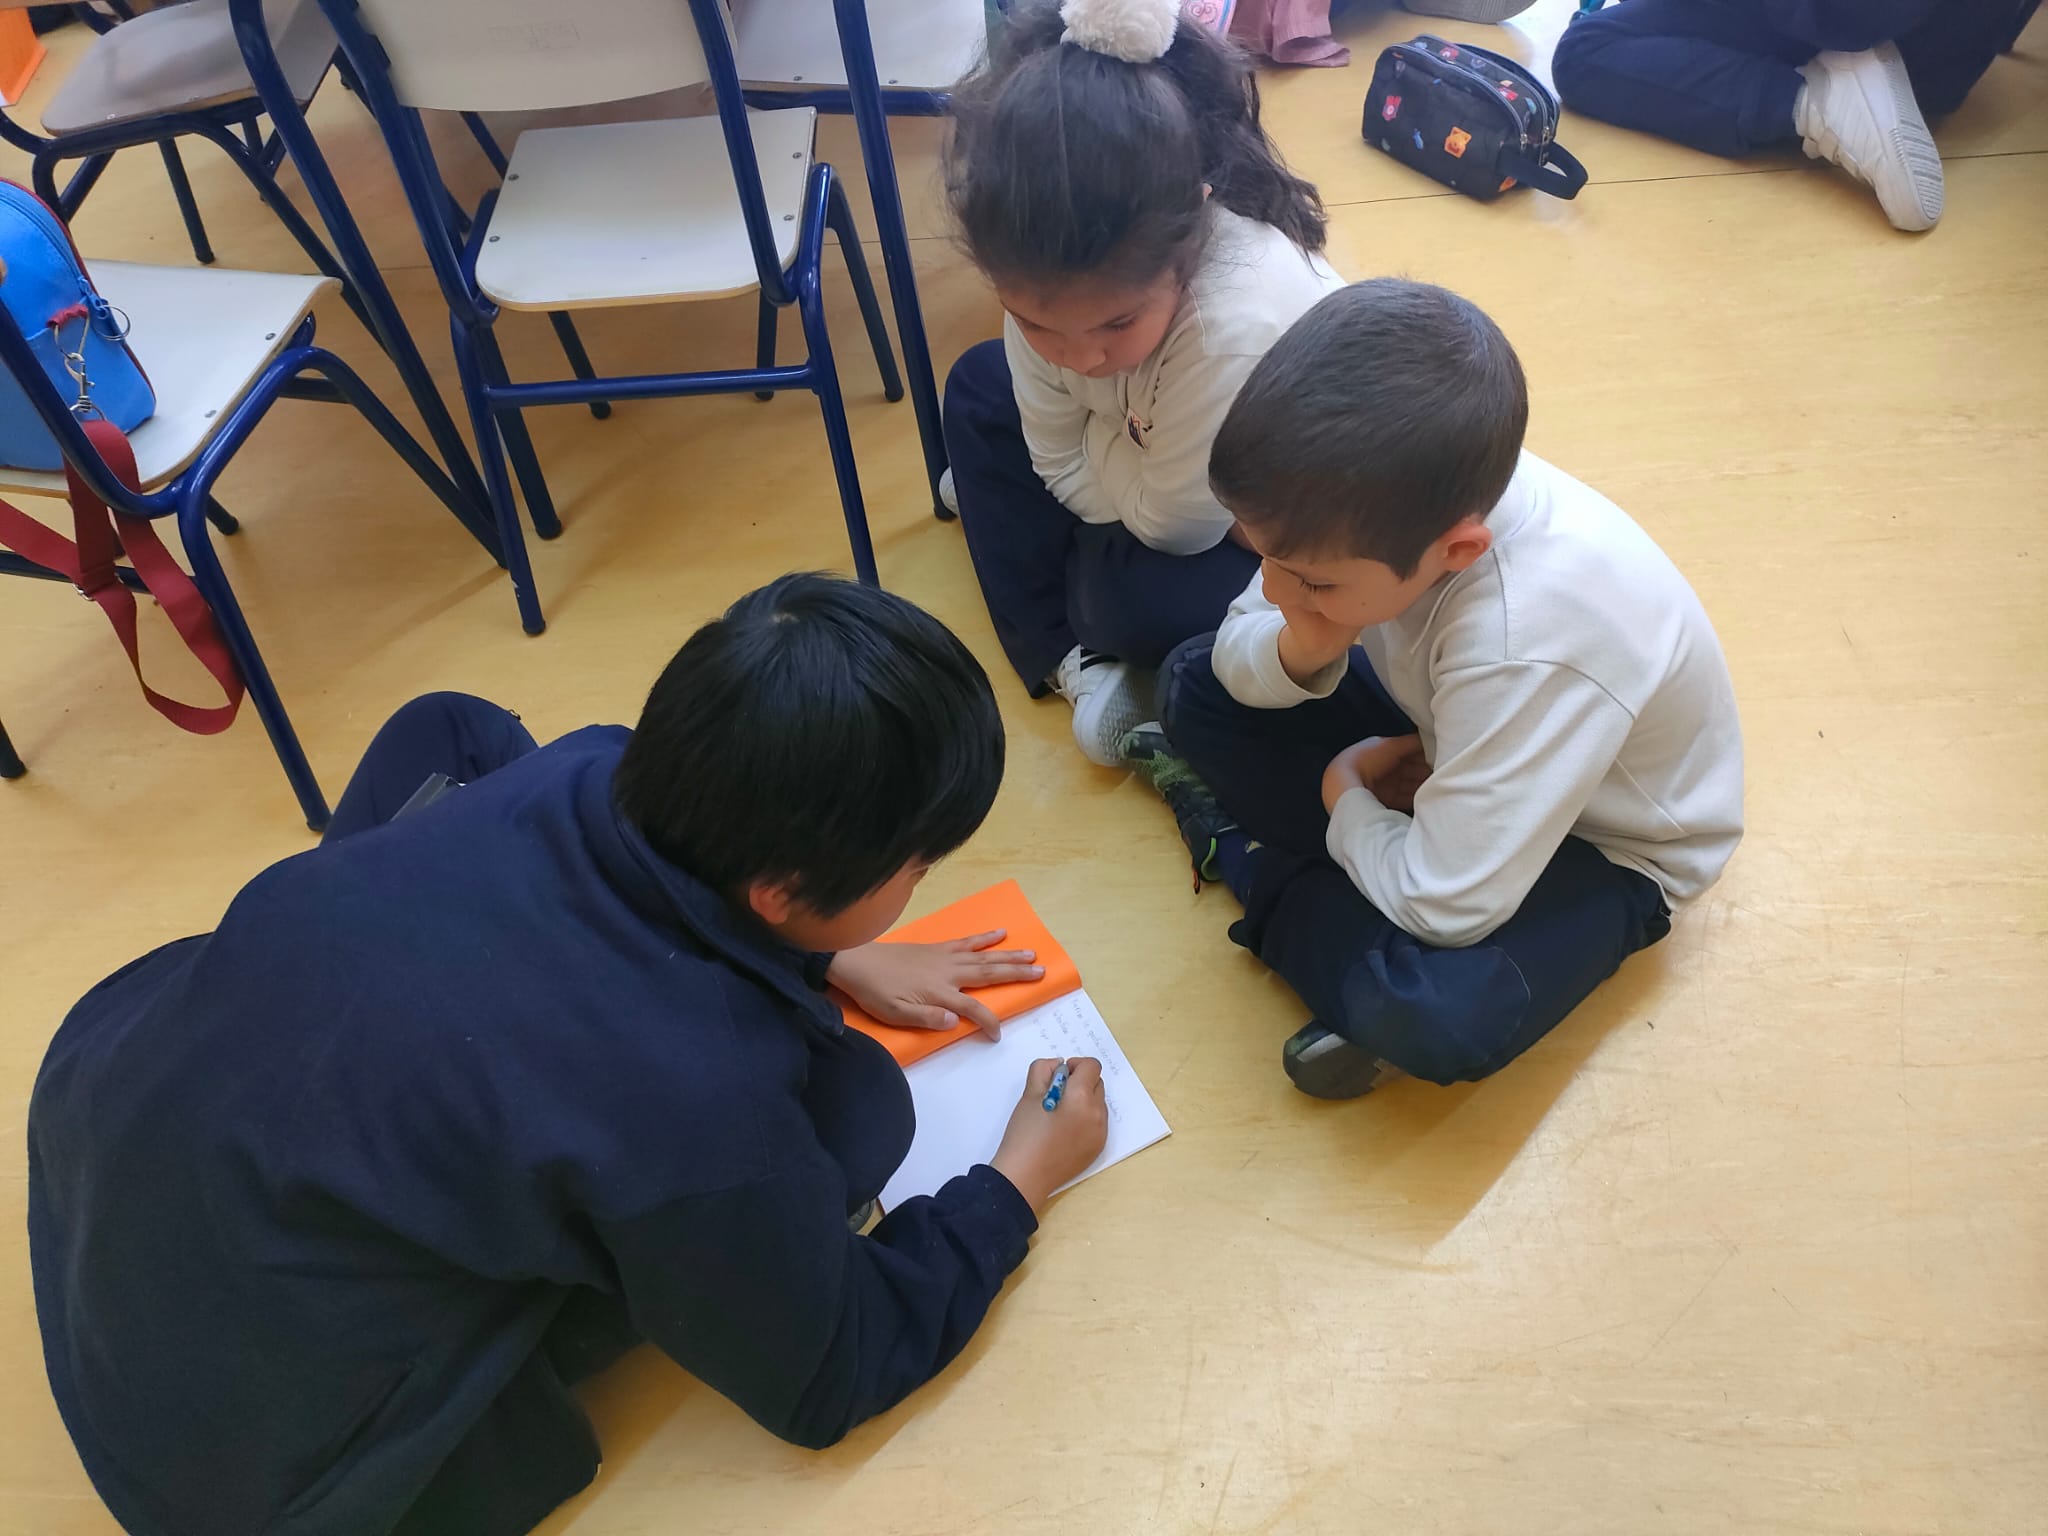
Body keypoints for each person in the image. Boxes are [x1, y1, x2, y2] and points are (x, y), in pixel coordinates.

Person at [27, 575, 1109, 1536]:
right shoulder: (696, 1095)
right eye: (916, 868)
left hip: (111, 1129)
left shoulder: (598, 762)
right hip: (248, 1469)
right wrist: (1017, 1183)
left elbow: (664, 902)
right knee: (857, 1112)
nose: (917, 886)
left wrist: (828, 952)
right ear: (780, 891)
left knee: (453, 734)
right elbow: (832, 1372)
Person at [1125, 281, 1744, 1098]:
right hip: (1453, 727)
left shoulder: (1527, 637)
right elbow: (1248, 636)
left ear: (1458, 551)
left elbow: (1447, 906)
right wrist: (1302, 645)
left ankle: (1251, 863)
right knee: (1194, 681)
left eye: (1311, 581)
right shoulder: (1374, 500)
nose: (1272, 588)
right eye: (1260, 552)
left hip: (1608, 844)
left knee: (1436, 1012)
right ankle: (1340, 924)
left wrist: (1345, 794)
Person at [940, 0, 1346, 766]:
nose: (1081, 357)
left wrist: (1078, 453)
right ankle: (1071, 656)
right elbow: (1061, 458)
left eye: (1116, 324)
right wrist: (1095, 446)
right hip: (1165, 469)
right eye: (1035, 323)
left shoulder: (1230, 326)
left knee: (1123, 601)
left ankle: (1016, 531)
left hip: (1268, 536)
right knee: (974, 386)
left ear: (1189, 234)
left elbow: (1173, 529)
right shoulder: (1045, 265)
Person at [1552, 0, 2040, 232]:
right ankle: (1845, 95)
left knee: (1586, 51)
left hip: (1841, 21)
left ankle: (1811, 103)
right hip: (1943, 62)